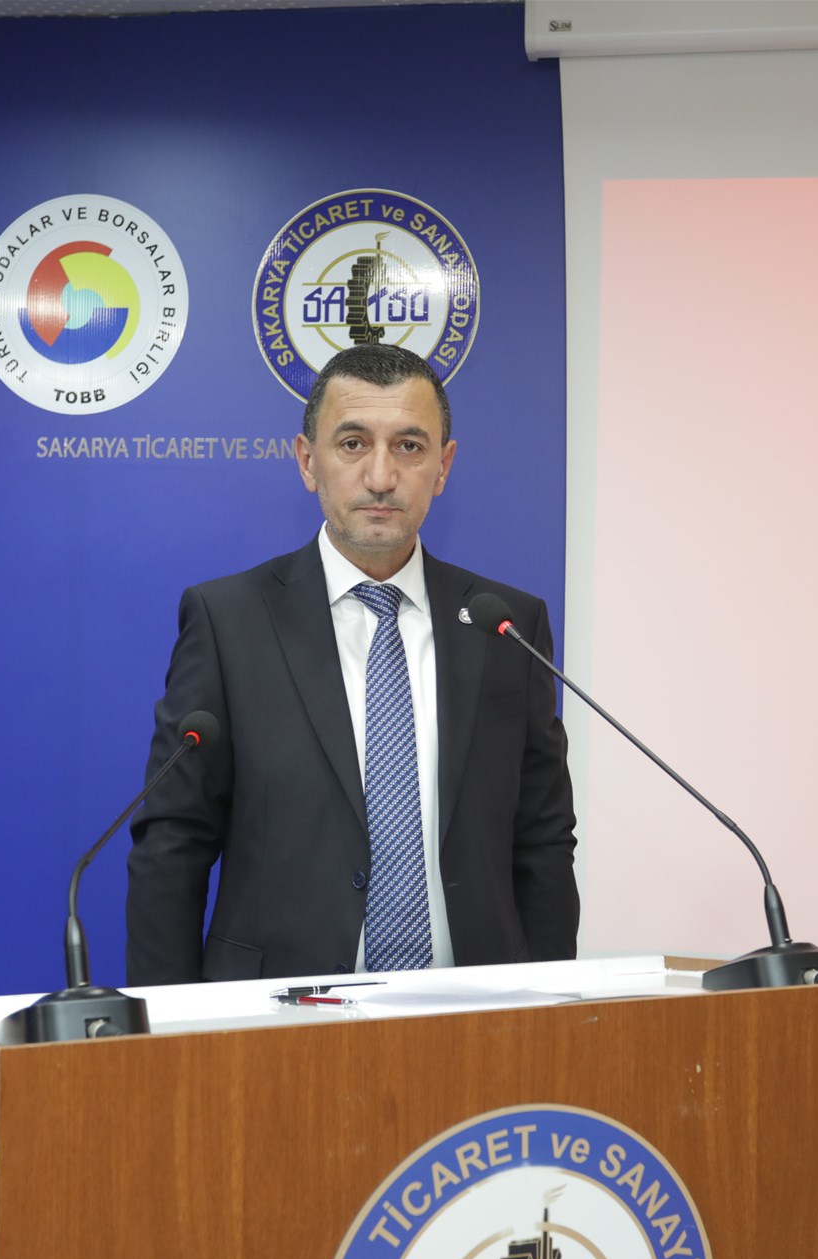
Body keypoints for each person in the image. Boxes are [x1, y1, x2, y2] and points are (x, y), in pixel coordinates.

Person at [125, 343, 578, 984]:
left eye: (409, 447)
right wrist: (170, 1025)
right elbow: (173, 843)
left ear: (443, 466)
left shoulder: (506, 624)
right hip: (277, 1012)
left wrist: (548, 1007)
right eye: (353, 444)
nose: (381, 477)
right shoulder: (230, 621)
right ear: (308, 461)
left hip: (477, 1013)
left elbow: (543, 839)